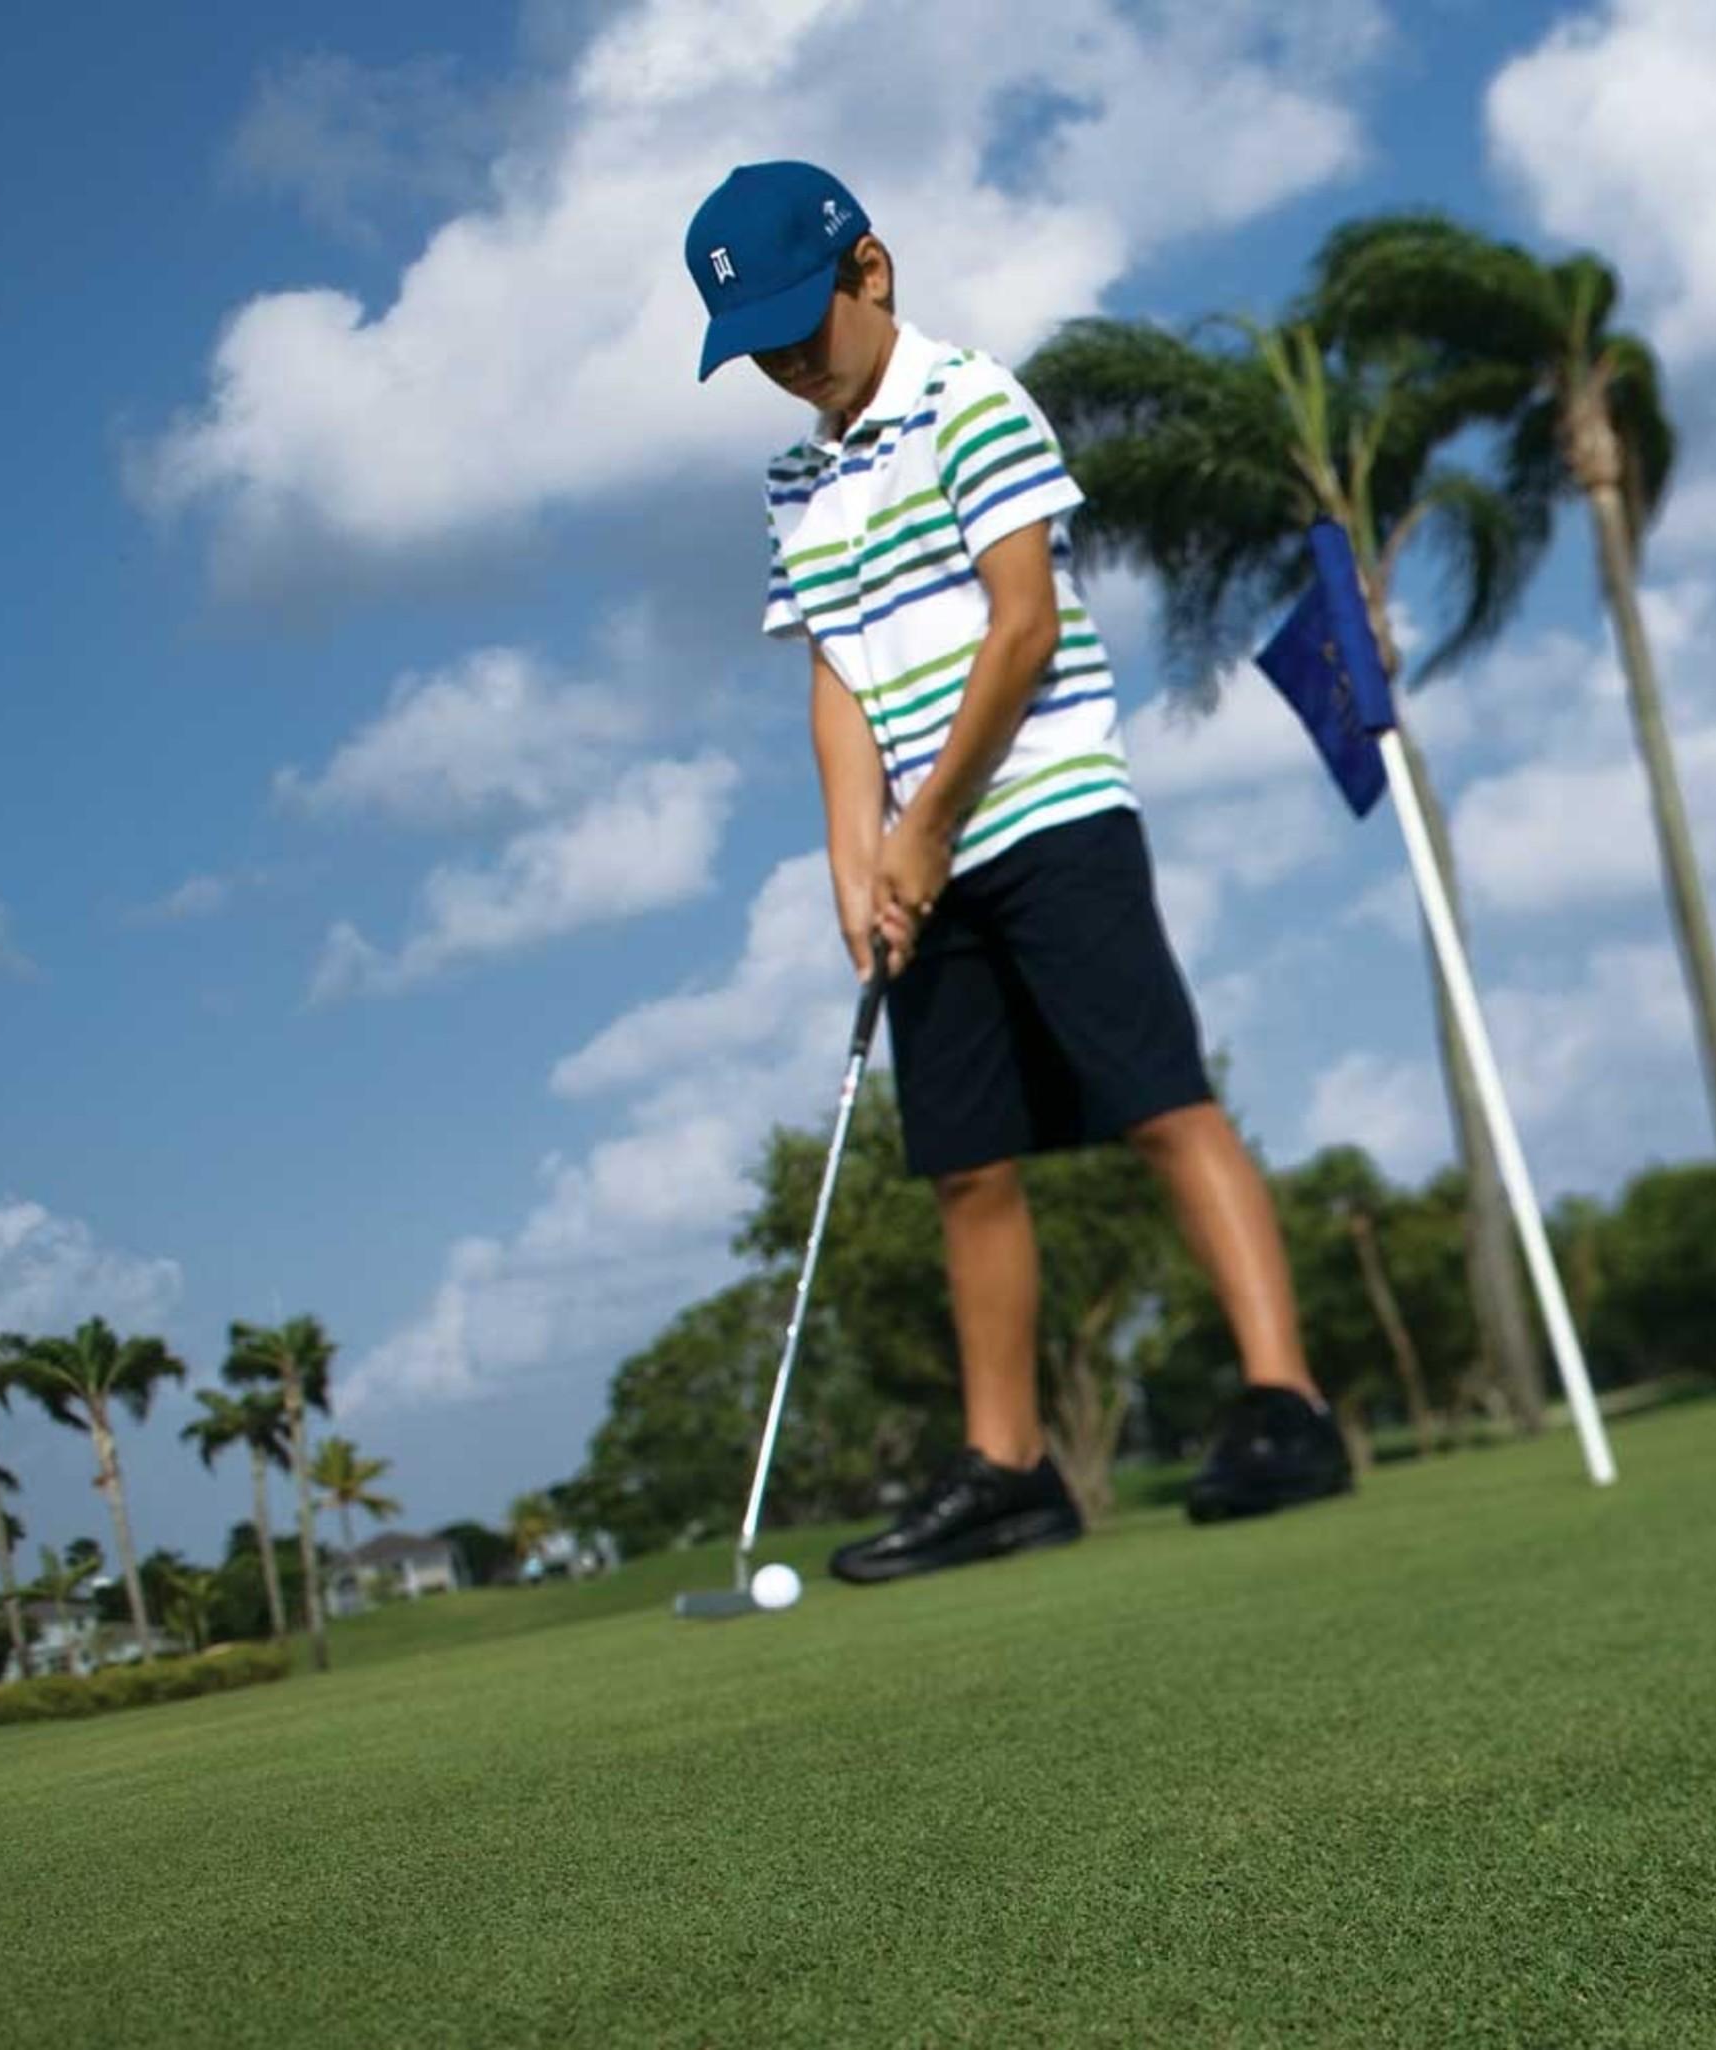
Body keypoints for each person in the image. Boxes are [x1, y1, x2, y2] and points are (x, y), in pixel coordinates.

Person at [685, 161, 1350, 1578]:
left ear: (873, 268)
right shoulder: (793, 478)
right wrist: (852, 859)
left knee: (1161, 1101)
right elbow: (835, 686)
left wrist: (923, 828)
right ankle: (1007, 1468)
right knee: (965, 1163)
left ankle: (1287, 1399)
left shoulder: (967, 399)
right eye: (763, 351)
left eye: (809, 320)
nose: (793, 363)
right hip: (915, 866)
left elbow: (1024, 628)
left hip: (1045, 813)